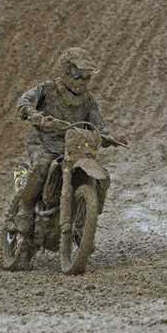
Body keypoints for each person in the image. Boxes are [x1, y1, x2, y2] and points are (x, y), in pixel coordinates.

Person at [8, 47, 125, 270]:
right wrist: (34, 114)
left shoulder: (88, 101)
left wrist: (110, 137)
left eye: (87, 76)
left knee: (98, 176)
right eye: (78, 75)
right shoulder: (47, 90)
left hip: (73, 147)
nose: (83, 81)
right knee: (42, 166)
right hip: (43, 143)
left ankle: (83, 224)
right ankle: (25, 210)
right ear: (65, 71)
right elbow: (24, 102)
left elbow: (98, 124)